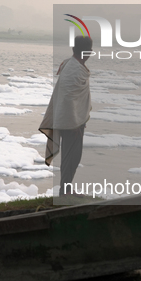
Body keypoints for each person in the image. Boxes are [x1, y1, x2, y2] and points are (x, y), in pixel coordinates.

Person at [39, 36, 93, 196]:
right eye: (89, 49)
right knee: (70, 157)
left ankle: (66, 188)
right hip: (70, 122)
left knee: (73, 157)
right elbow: (69, 98)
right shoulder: (73, 69)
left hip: (72, 120)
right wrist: (74, 123)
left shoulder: (72, 65)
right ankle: (65, 191)